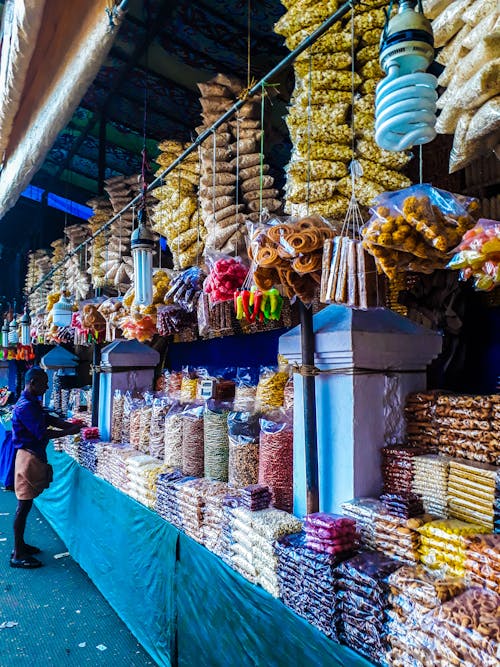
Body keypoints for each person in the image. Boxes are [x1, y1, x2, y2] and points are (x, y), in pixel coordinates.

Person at [10, 367, 81, 569]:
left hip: (32, 455)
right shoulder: (25, 406)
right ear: (33, 383)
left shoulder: (32, 403)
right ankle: (17, 553)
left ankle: (20, 545)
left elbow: (48, 419)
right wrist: (68, 432)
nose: (47, 386)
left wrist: (68, 425)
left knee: (26, 505)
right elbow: (41, 433)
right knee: (23, 506)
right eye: (44, 382)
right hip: (28, 457)